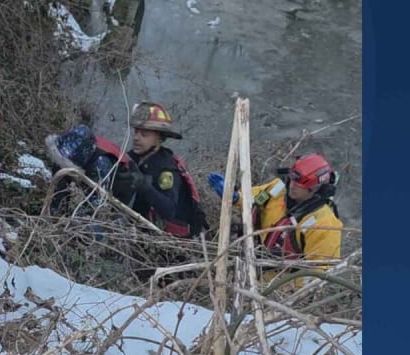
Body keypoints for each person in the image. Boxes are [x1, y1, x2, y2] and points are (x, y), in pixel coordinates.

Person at [207, 153, 343, 288]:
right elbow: (253, 198)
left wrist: (284, 289)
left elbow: (321, 273)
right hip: (252, 259)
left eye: (300, 185)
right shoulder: (277, 189)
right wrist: (235, 197)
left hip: (279, 283)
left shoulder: (324, 224)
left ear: (315, 188)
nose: (293, 187)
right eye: (293, 180)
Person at [110, 101, 208, 238]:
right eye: (136, 132)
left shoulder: (166, 169)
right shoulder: (133, 157)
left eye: (144, 134)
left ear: (159, 139)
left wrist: (144, 187)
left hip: (171, 240)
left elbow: (169, 210)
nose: (137, 138)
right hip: (140, 227)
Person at [44, 124, 130, 215]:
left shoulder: (100, 165)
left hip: (123, 179)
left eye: (65, 166)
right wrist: (54, 212)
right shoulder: (64, 150)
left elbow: (95, 205)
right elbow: (57, 187)